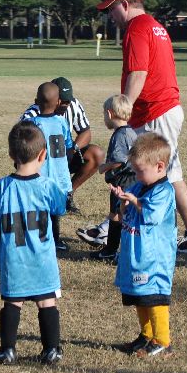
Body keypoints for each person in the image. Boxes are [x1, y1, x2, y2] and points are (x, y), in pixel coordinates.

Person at [96, 0, 187, 253]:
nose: (110, 16)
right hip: (160, 109)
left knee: (164, 174)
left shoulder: (136, 28)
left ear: (125, 5)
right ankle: (111, 226)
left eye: (111, 9)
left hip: (155, 111)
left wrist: (123, 109)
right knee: (140, 170)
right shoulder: (155, 26)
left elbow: (138, 73)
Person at [0, 121, 67, 365]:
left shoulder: (3, 186)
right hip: (42, 258)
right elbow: (60, 207)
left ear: (11, 155)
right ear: (43, 155)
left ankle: (8, 350)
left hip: (14, 257)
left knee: (13, 301)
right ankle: (51, 350)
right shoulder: (47, 185)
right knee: (47, 301)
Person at [109, 133, 177, 358]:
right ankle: (146, 335)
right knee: (139, 295)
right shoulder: (139, 186)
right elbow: (126, 214)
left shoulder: (164, 191)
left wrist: (136, 202)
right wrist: (123, 200)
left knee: (154, 296)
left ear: (160, 167)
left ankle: (163, 340)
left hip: (154, 259)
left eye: (140, 171)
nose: (136, 176)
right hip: (136, 255)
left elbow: (152, 215)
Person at [20, 76, 104, 213]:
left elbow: (86, 133)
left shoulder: (74, 105)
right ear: (54, 99)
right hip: (41, 163)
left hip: (63, 156)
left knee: (96, 154)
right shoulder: (32, 115)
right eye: (62, 101)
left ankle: (67, 195)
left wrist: (72, 150)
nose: (65, 105)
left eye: (67, 101)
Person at [82, 95, 138, 262]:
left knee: (116, 215)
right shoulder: (130, 131)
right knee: (125, 214)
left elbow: (119, 160)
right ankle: (123, 249)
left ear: (109, 113)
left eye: (104, 114)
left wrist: (103, 167)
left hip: (122, 181)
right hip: (133, 179)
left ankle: (110, 251)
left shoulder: (120, 135)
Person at [27, 82, 72, 251]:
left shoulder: (32, 123)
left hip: (39, 175)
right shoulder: (62, 122)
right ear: (59, 102)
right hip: (59, 176)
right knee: (54, 212)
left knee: (38, 209)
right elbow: (68, 145)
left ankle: (38, 240)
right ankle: (56, 241)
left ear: (36, 102)